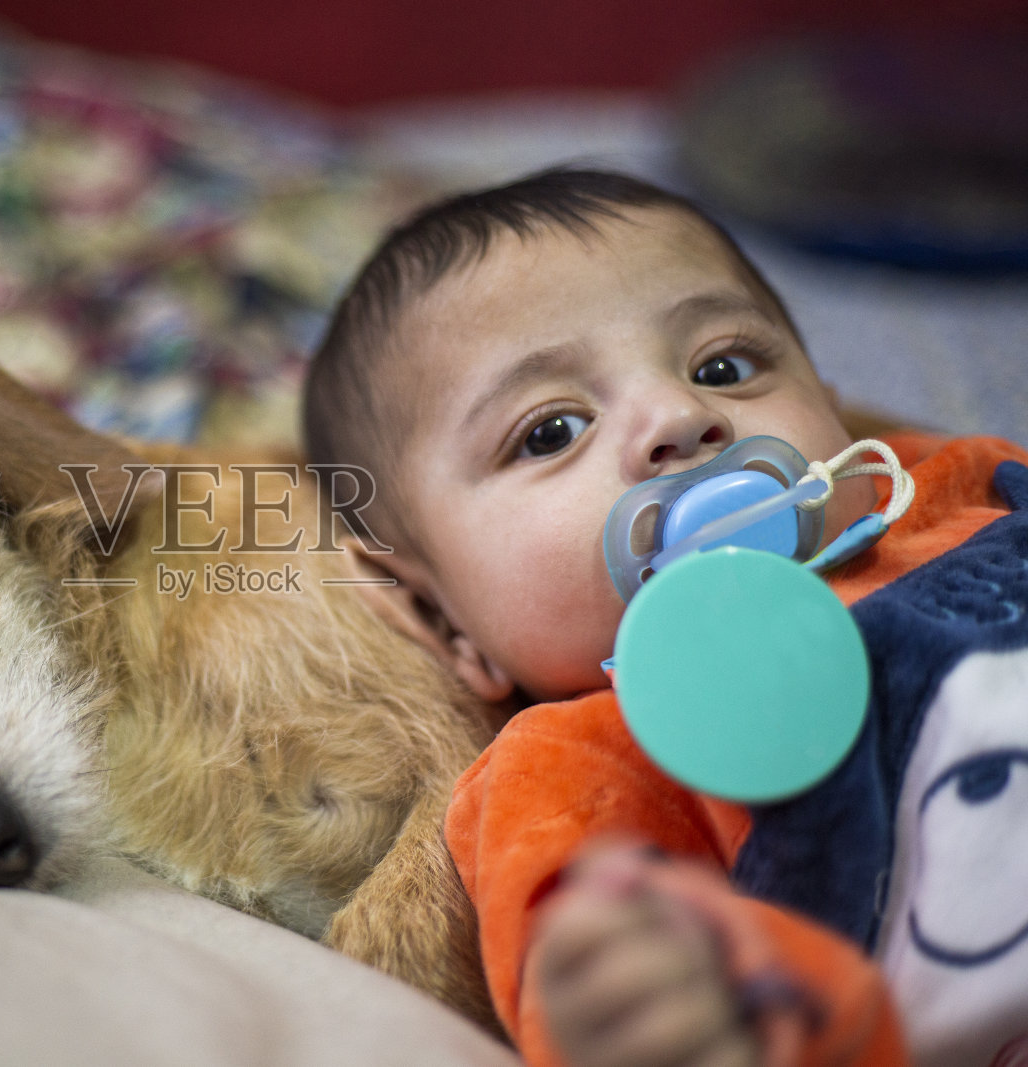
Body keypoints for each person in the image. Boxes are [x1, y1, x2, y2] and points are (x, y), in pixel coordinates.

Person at [302, 167, 1028, 1066]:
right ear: (436, 612)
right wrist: (661, 1001)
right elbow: (612, 990)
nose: (680, 416)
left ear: (834, 411)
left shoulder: (965, 484)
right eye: (550, 431)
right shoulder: (573, 774)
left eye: (723, 365)